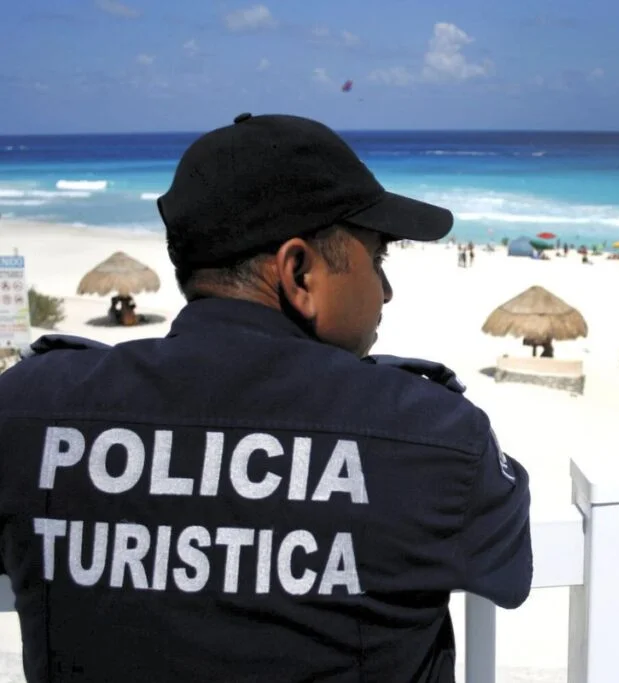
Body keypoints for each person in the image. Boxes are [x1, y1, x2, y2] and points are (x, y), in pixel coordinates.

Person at [0, 113, 533, 683]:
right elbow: (505, 570)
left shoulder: (27, 411)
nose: (385, 290)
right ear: (299, 271)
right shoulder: (432, 436)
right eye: (376, 259)